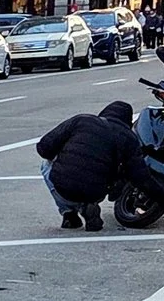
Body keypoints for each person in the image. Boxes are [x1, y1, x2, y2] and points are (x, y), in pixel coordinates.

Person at [35, 99, 141, 232]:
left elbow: (43, 148)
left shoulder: (82, 120)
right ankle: (87, 204)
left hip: (64, 186)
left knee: (46, 165)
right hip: (98, 191)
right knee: (119, 171)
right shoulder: (129, 138)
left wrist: (64, 154)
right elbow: (140, 175)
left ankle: (69, 213)